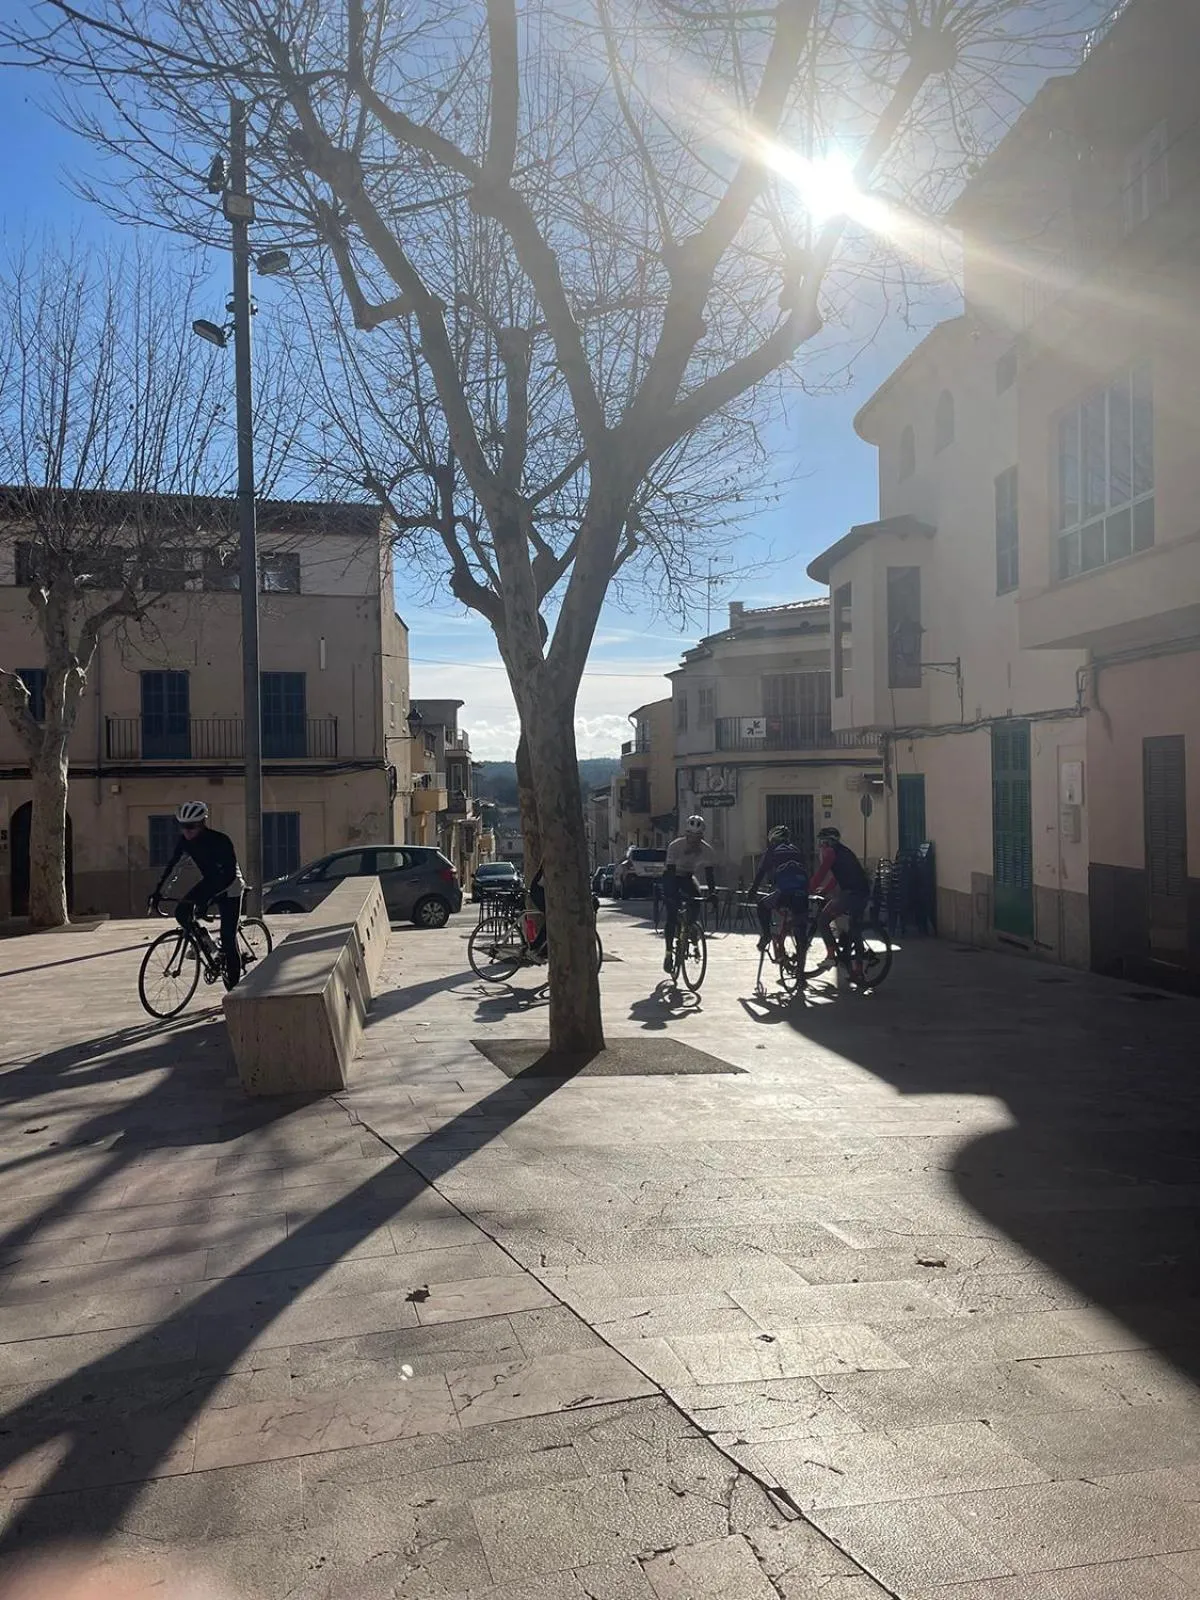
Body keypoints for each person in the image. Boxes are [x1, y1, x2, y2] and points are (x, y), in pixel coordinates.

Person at [149, 801, 247, 989]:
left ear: (202, 823)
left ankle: (234, 991)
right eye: (182, 826)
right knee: (181, 913)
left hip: (231, 886)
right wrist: (158, 892)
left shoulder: (221, 841)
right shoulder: (185, 841)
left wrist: (205, 901)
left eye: (191, 826)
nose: (186, 831)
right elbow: (172, 867)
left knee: (228, 938)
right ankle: (206, 942)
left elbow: (228, 875)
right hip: (210, 882)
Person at [662, 815, 717, 975]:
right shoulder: (675, 846)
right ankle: (668, 954)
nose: (694, 840)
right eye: (691, 836)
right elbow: (671, 871)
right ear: (686, 834)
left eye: (697, 837)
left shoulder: (706, 849)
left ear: (702, 836)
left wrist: (713, 894)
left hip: (687, 876)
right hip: (672, 875)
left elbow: (709, 874)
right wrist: (672, 895)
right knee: (672, 914)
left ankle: (691, 927)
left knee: (696, 898)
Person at [810, 825, 871, 967]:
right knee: (853, 928)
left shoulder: (831, 853)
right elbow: (837, 878)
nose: (820, 846)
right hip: (861, 892)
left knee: (823, 920)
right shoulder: (843, 851)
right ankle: (858, 972)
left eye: (822, 842)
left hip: (853, 894)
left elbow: (822, 873)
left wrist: (808, 888)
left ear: (828, 842)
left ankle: (831, 956)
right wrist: (824, 890)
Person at [749, 824, 811, 955]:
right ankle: (802, 947)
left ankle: (766, 936)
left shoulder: (772, 850)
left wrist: (753, 890)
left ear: (772, 839)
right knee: (799, 916)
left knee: (762, 906)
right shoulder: (796, 850)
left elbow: (761, 872)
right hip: (802, 893)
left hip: (785, 893)